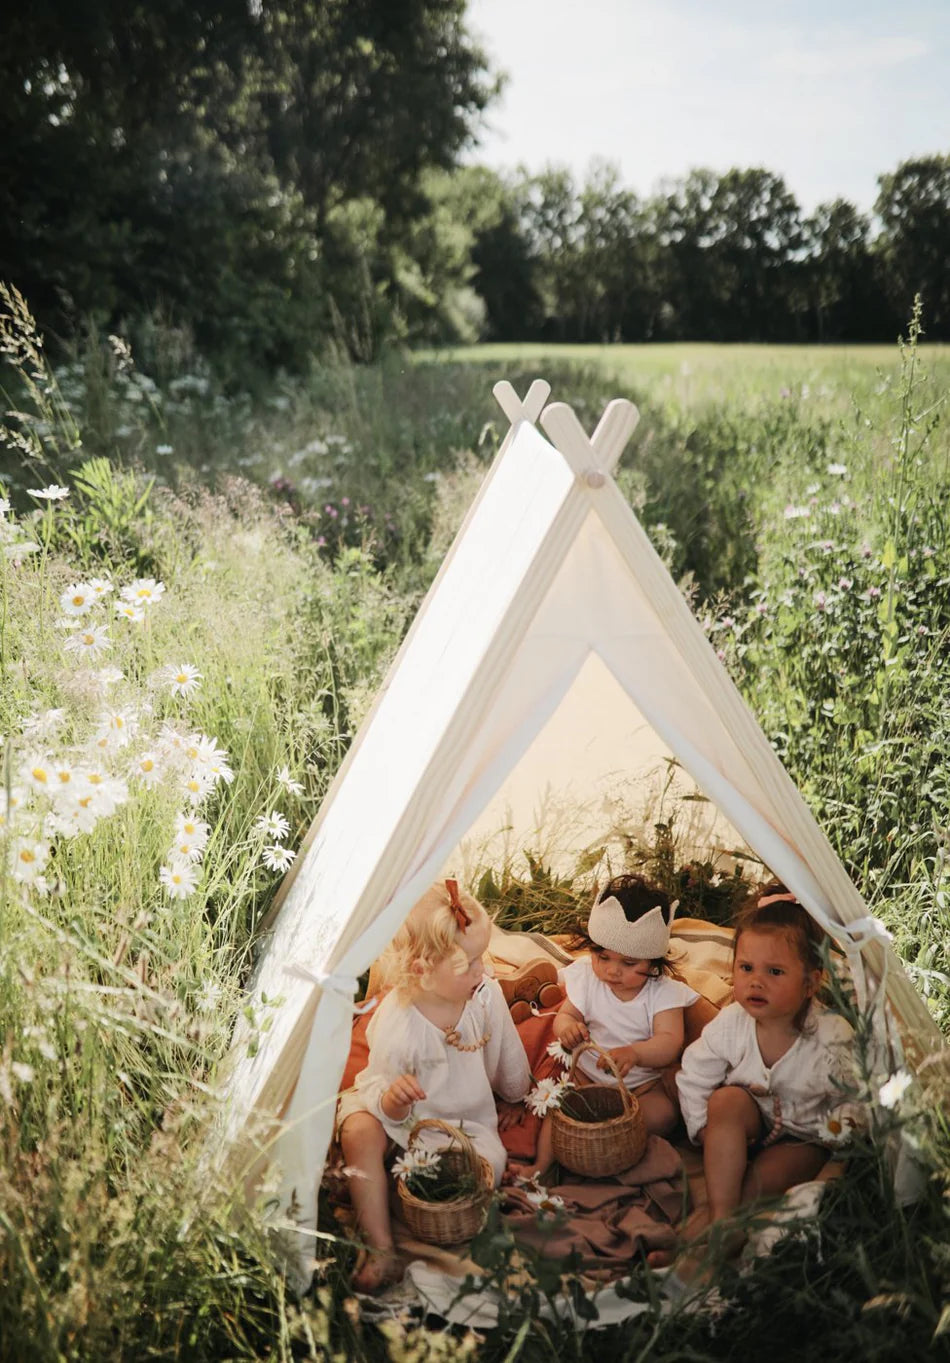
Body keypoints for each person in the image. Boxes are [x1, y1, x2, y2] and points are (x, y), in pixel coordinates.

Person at [337, 879, 531, 1292]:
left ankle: (402, 1199)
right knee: (358, 1130)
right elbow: (381, 1089)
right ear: (422, 971)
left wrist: (514, 1094)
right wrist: (393, 1103)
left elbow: (505, 1050)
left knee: (481, 1172)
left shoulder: (484, 996)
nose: (483, 969)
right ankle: (380, 1246)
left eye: (482, 957)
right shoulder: (398, 1022)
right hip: (397, 1120)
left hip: (462, 1123)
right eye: (470, 963)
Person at [665, 883, 856, 1277]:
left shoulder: (831, 1037)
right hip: (757, 1119)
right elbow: (694, 1074)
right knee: (725, 1102)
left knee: (753, 1183)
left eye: (775, 972)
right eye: (745, 968)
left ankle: (706, 1232)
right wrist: (706, 1133)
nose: (755, 982)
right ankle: (720, 1219)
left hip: (805, 1135)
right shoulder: (734, 1022)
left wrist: (840, 1148)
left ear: (811, 983)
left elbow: (855, 1100)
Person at [528, 874, 699, 1177]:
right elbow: (566, 1016)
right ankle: (542, 1166)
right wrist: (566, 1028)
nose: (612, 970)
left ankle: (613, 1148)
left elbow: (671, 1040)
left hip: (639, 1088)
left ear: (653, 963)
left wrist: (636, 1053)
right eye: (602, 956)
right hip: (586, 1077)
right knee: (557, 1107)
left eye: (629, 963)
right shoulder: (588, 979)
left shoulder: (662, 992)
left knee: (664, 1114)